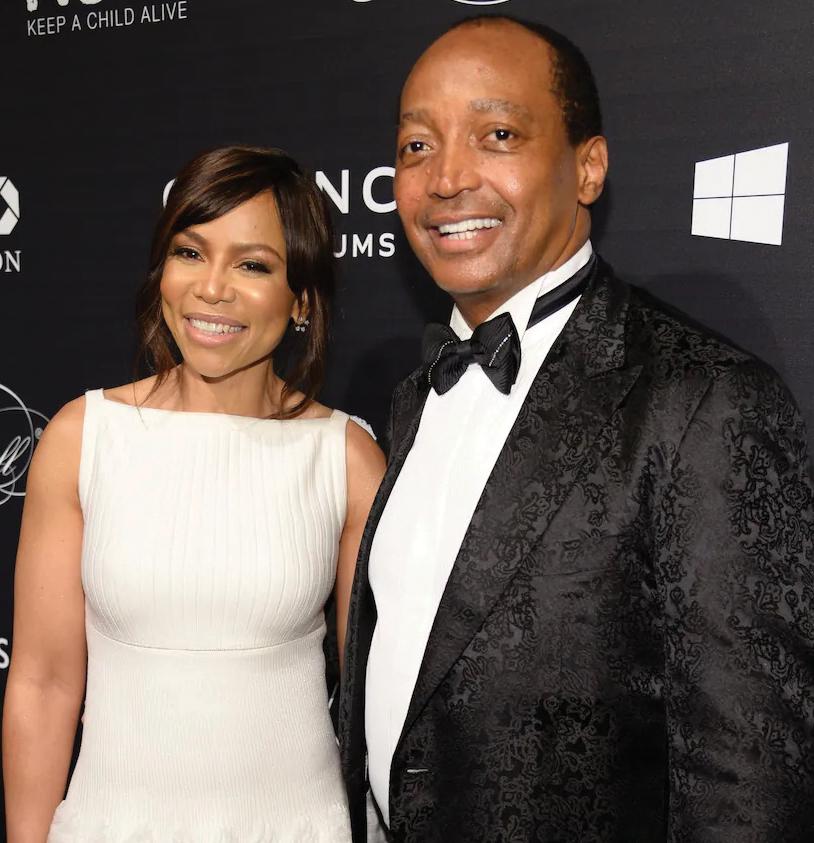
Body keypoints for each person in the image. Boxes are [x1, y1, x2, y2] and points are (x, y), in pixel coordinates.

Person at [339, 15, 814, 842]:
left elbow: (752, 785)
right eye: (417, 146)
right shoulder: (416, 397)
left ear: (587, 167)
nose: (446, 177)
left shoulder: (702, 398)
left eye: (497, 134)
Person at [2, 145, 385, 842]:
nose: (212, 288)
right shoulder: (83, 437)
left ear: (301, 298)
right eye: (190, 252)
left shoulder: (346, 458)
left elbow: (378, 705)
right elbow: (43, 682)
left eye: (253, 265)